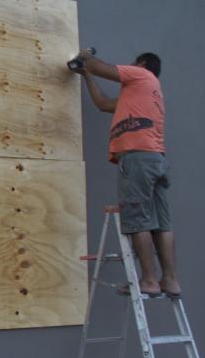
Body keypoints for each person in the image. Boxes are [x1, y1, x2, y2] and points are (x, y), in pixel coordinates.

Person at [71, 50, 181, 298]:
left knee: (138, 220)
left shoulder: (141, 74)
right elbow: (102, 104)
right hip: (155, 159)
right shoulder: (141, 94)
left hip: (137, 159)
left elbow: (100, 67)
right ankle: (171, 281)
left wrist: (84, 56)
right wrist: (87, 76)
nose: (128, 67)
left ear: (141, 64)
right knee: (162, 223)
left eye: (132, 63)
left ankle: (150, 281)